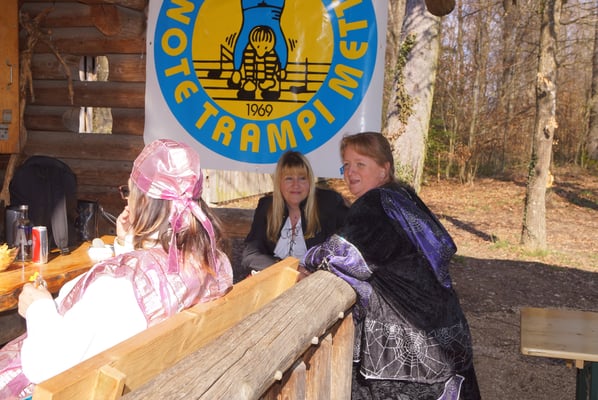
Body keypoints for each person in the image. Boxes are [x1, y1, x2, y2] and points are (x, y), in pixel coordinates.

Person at [0, 139, 233, 399]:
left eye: (129, 193)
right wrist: (128, 246)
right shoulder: (213, 263)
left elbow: (46, 367)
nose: (127, 203)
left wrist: (38, 308)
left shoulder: (118, 289)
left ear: (145, 202)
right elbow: (149, 296)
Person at [301, 132, 481, 400]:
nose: (350, 172)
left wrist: (304, 262)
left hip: (412, 348)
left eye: (360, 164)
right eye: (346, 165)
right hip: (444, 334)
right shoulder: (402, 196)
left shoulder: (374, 204)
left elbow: (342, 254)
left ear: (384, 169)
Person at [241, 150, 348, 278]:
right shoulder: (267, 206)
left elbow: (347, 249)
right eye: (289, 178)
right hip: (276, 279)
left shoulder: (329, 203)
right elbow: (250, 255)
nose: (295, 185)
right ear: (279, 183)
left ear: (310, 182)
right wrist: (289, 269)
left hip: (316, 282)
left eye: (302, 178)